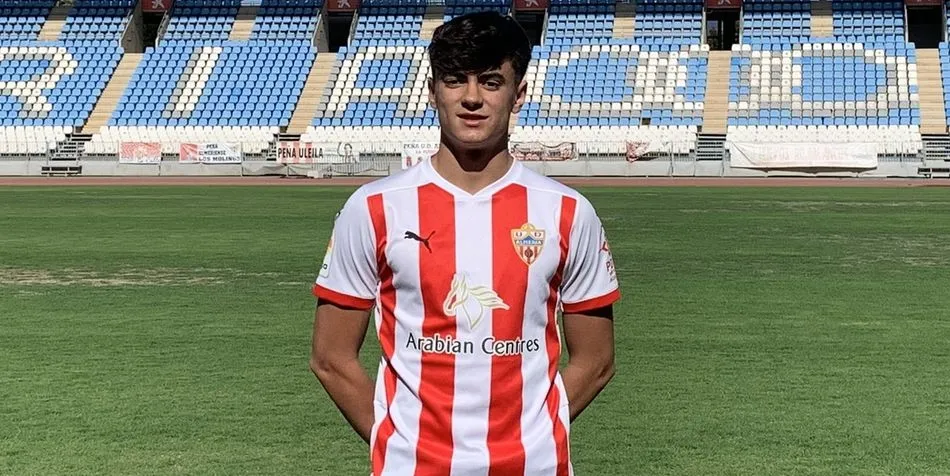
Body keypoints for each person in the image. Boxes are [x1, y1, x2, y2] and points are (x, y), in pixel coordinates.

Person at [310, 11, 619, 475]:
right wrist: (397, 440)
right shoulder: (374, 208)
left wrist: (533, 430)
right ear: (433, 91)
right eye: (455, 81)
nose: (472, 98)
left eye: (491, 82)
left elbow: (596, 360)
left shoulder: (569, 212)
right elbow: (330, 357)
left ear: (519, 95)